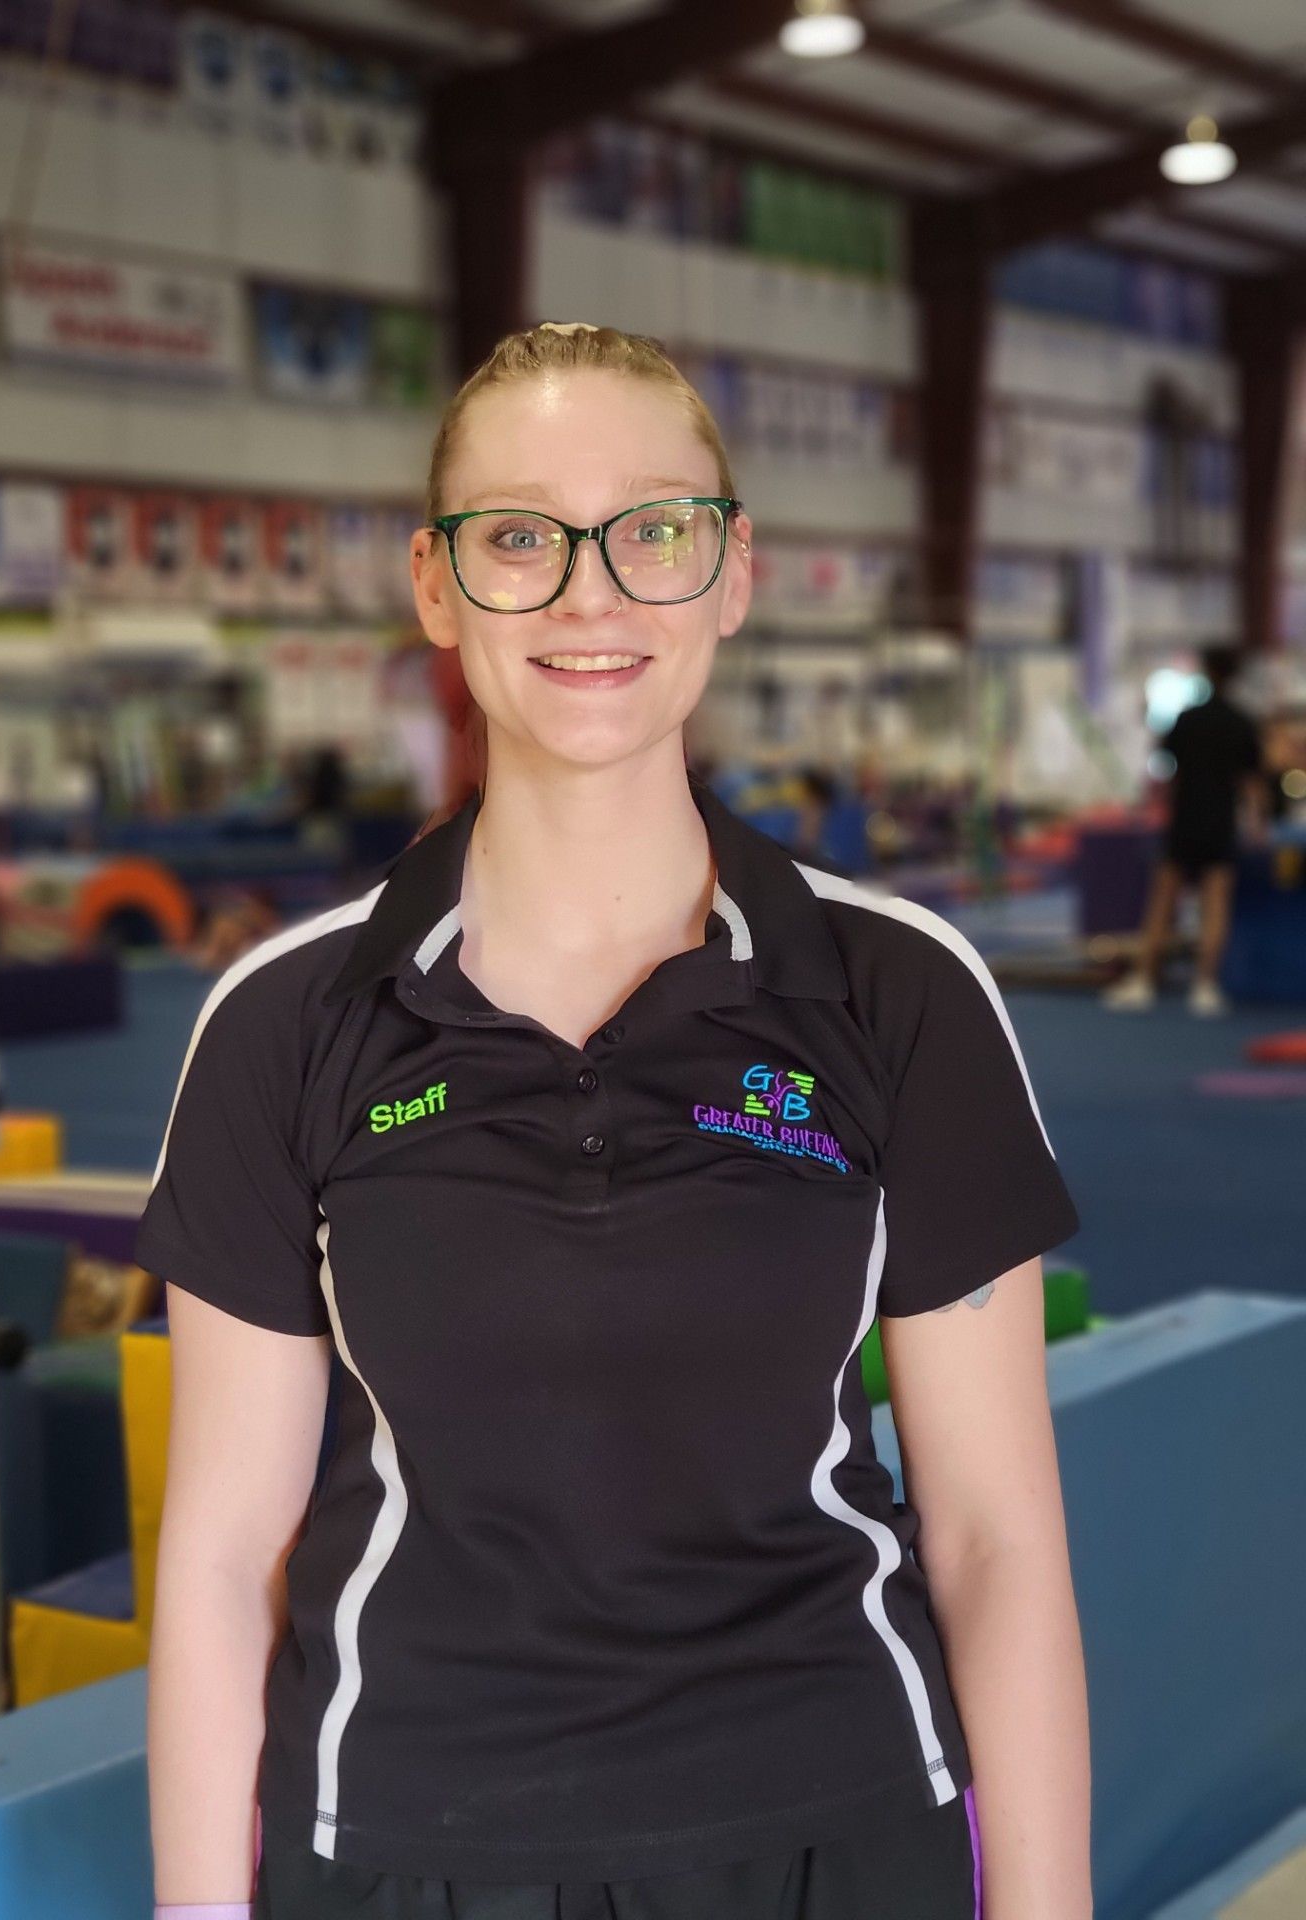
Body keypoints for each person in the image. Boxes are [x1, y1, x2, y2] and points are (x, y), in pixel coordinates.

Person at [138, 321, 1091, 1920]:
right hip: (405, 1850)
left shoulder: (897, 991)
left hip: (838, 1834)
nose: (592, 595)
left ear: (732, 573)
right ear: (437, 586)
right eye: (521, 538)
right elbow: (226, 1556)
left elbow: (996, 1537)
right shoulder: (284, 1023)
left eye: (654, 531)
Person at [1103, 644, 1268, 1016]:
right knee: (1215, 905)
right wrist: (1258, 827)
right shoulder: (1242, 722)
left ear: (1207, 672)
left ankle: (1144, 980)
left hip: (1185, 821)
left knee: (1162, 902)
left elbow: (1168, 776)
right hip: (1220, 823)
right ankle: (1204, 985)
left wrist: (1152, 809)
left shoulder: (1187, 719)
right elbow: (1252, 784)